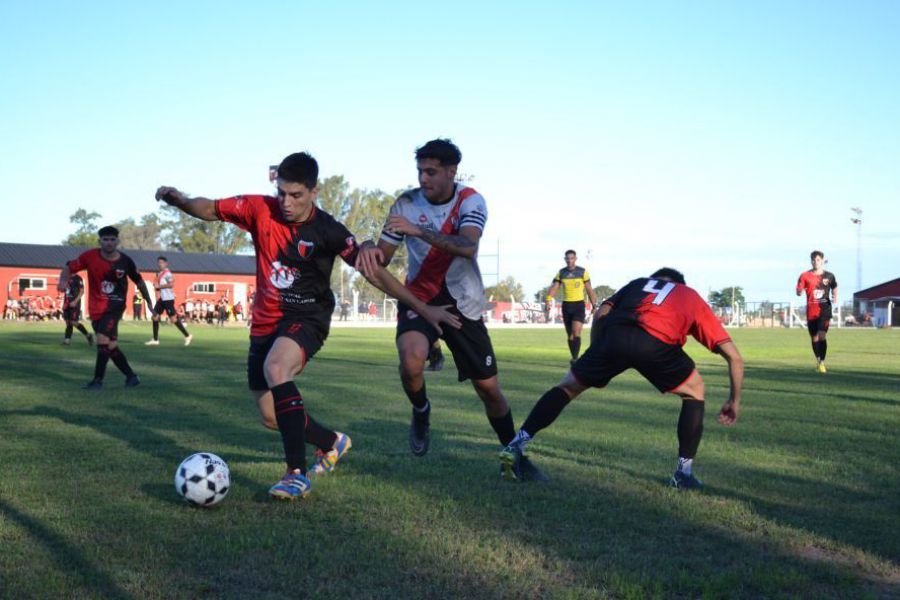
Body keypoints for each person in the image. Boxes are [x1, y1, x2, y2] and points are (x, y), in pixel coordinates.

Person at [156, 151, 460, 501]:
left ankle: (295, 474)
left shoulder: (328, 230)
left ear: (314, 192)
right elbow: (208, 208)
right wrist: (178, 201)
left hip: (307, 318)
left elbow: (374, 273)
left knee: (276, 367)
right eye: (281, 192)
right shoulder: (259, 209)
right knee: (273, 417)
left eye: (296, 195)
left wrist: (423, 309)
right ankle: (332, 443)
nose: (286, 202)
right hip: (264, 323)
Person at [356, 138, 543, 480]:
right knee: (411, 359)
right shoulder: (405, 204)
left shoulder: (470, 200)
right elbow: (381, 256)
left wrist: (419, 231)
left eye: (431, 172)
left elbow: (467, 246)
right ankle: (421, 410)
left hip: (463, 305)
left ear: (451, 171)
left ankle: (514, 455)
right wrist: (369, 246)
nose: (423, 179)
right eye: (420, 171)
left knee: (489, 390)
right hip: (420, 299)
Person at [500, 268, 744, 489]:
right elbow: (734, 358)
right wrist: (734, 400)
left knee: (568, 386)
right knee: (695, 390)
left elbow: (601, 314)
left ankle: (516, 445)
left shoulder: (638, 283)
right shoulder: (688, 295)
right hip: (655, 342)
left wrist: (595, 353)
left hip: (614, 337)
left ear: (654, 279)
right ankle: (683, 474)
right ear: (679, 284)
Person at [57, 226, 154, 389]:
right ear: (99, 241)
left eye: (112, 239)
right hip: (96, 308)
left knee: (102, 339)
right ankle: (131, 377)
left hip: (114, 306)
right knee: (110, 346)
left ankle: (97, 381)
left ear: (118, 241)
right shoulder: (89, 257)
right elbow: (69, 268)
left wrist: (149, 302)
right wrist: (62, 281)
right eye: (105, 239)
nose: (109, 243)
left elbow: (139, 281)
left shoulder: (125, 261)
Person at [546, 250, 598, 364]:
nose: (569, 260)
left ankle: (575, 359)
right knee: (570, 336)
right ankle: (574, 356)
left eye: (571, 258)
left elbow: (589, 289)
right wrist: (548, 300)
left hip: (579, 305)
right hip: (566, 306)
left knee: (576, 332)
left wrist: (594, 304)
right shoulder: (561, 273)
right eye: (567, 258)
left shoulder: (582, 272)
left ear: (575, 259)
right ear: (565, 259)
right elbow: (555, 287)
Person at [796, 250, 838, 373]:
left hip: (824, 310)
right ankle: (818, 360)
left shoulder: (829, 276)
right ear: (811, 261)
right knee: (814, 338)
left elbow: (834, 286)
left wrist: (835, 297)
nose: (816, 262)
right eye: (814, 260)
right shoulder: (804, 276)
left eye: (818, 260)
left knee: (821, 335)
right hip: (811, 311)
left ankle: (822, 362)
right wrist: (799, 292)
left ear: (822, 261)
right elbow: (798, 290)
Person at [146, 256, 193, 346]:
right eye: (158, 263)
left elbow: (171, 284)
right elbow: (159, 286)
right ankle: (155, 339)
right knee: (155, 316)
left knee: (173, 319)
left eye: (161, 263)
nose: (160, 264)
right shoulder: (159, 274)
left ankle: (187, 335)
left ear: (166, 264)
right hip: (162, 299)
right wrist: (156, 286)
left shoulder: (167, 274)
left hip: (168, 299)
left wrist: (159, 287)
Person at [61, 273, 94, 346]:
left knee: (73, 322)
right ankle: (67, 341)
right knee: (68, 322)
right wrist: (63, 303)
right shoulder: (67, 278)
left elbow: (82, 291)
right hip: (67, 303)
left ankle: (88, 335)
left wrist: (75, 301)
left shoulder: (78, 278)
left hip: (74, 303)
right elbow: (66, 291)